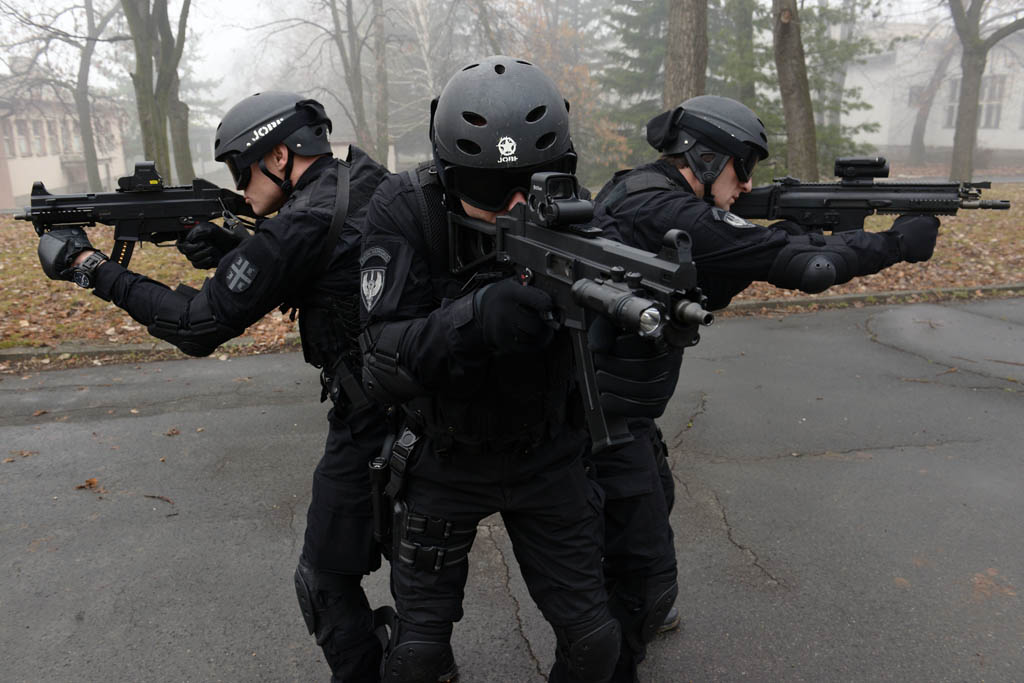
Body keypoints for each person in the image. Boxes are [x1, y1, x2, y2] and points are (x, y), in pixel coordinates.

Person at [36, 92, 393, 682]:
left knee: (324, 578)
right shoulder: (364, 178)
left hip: (369, 420)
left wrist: (92, 269)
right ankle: (419, 656)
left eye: (240, 168)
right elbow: (338, 267)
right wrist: (238, 246)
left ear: (280, 155)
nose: (238, 183)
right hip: (420, 406)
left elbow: (197, 326)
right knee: (418, 563)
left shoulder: (298, 222)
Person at [589, 94, 940, 672]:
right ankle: (621, 630)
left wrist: (787, 231)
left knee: (652, 500)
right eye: (741, 166)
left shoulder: (638, 190)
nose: (747, 184)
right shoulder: (671, 211)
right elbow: (807, 266)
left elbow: (709, 271)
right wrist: (894, 244)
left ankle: (627, 606)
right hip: (601, 415)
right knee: (642, 564)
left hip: (617, 404)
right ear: (702, 158)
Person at [358, 56, 629, 683]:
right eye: (485, 190)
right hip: (442, 455)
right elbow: (379, 360)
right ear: (449, 178)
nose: (513, 205)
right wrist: (474, 321)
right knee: (418, 655)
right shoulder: (408, 209)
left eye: (536, 183)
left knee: (594, 644)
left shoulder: (580, 218)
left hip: (547, 455)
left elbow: (630, 299)